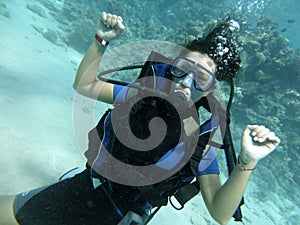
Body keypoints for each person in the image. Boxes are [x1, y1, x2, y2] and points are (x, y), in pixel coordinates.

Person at [0, 12, 281, 225]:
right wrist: (100, 41)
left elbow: (220, 213)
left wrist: (248, 161)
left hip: (122, 216)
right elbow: (85, 85)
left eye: (201, 79)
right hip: (87, 185)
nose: (186, 83)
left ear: (210, 91)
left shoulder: (199, 140)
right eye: (182, 69)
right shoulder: (142, 94)